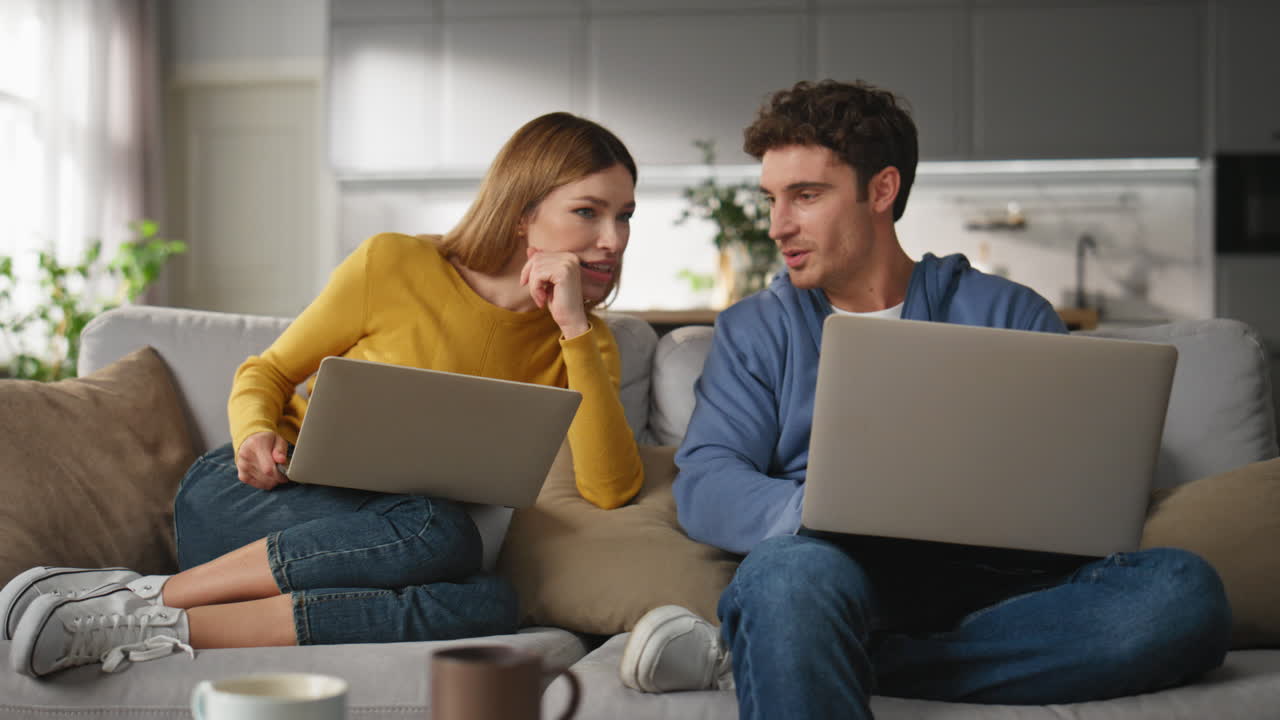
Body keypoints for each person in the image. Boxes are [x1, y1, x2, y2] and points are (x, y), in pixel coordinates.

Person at [617, 80, 1231, 719]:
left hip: (1004, 585)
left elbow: (1083, 481)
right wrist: (828, 510)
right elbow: (708, 482)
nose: (778, 224)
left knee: (1183, 593)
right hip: (832, 573)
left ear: (881, 191)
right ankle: (804, 639)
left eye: (806, 195)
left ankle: (810, 657)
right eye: (772, 198)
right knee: (785, 582)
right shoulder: (756, 329)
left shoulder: (1008, 311)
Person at [2, 111, 645, 678]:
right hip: (255, 501)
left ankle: (152, 623)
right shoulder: (395, 265)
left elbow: (608, 486)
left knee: (492, 602)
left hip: (378, 547)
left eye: (624, 217)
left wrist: (572, 332)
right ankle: (157, 593)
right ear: (523, 210)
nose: (612, 239)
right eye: (588, 211)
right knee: (441, 529)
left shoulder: (584, 342)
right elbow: (268, 373)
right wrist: (257, 433)